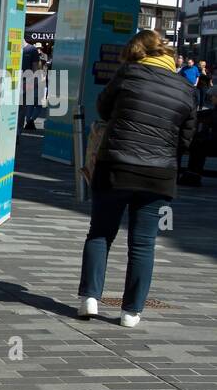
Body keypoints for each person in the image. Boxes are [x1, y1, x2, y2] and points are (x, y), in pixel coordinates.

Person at [77, 30, 196, 328]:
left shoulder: (128, 74)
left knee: (101, 233)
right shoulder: (185, 88)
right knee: (143, 243)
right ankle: (131, 312)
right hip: (158, 174)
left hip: (116, 165)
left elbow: (102, 109)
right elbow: (186, 139)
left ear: (137, 53)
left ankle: (89, 298)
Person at [20, 39, 43, 130]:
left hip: (27, 82)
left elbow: (36, 69)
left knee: (28, 105)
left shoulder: (32, 51)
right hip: (29, 82)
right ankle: (28, 122)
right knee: (33, 105)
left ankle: (27, 122)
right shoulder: (32, 51)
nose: (38, 49)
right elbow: (36, 69)